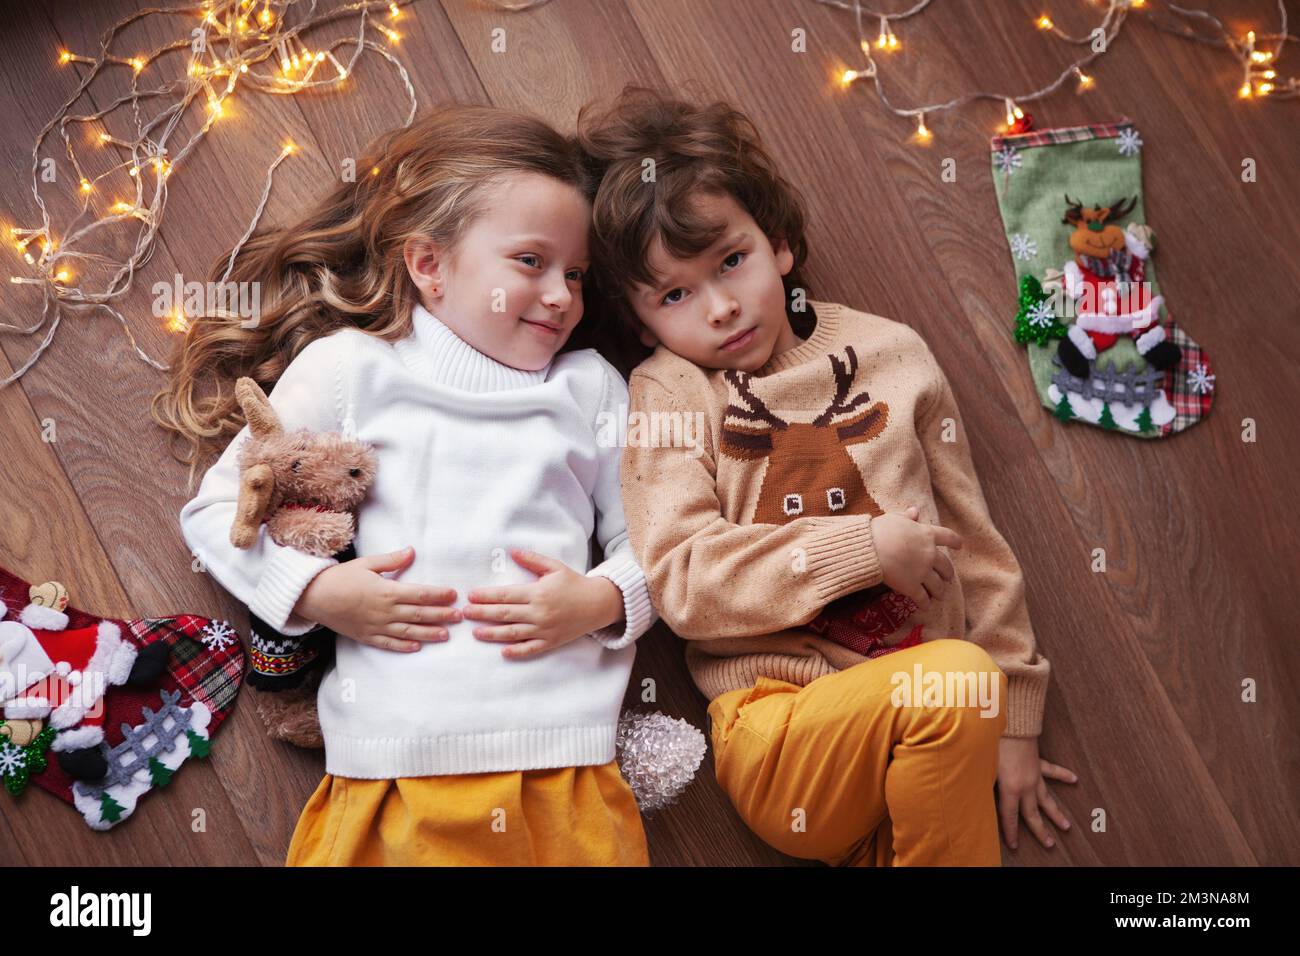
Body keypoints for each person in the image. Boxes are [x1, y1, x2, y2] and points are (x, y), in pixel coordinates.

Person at [577, 87, 1077, 866]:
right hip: (781, 728)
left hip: (929, 732)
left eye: (731, 262)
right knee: (957, 681)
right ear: (644, 324)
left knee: (959, 695)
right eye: (676, 295)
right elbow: (681, 578)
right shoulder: (670, 393)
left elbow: (973, 539)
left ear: (777, 243)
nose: (719, 308)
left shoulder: (893, 356)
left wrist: (1014, 715)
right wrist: (863, 550)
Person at [155, 105, 656, 865]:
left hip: (562, 772)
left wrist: (604, 598)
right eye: (531, 262)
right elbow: (218, 511)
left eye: (577, 274)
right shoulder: (353, 367)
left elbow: (663, 538)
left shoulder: (588, 389)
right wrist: (318, 594)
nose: (562, 294)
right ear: (430, 265)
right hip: (387, 771)